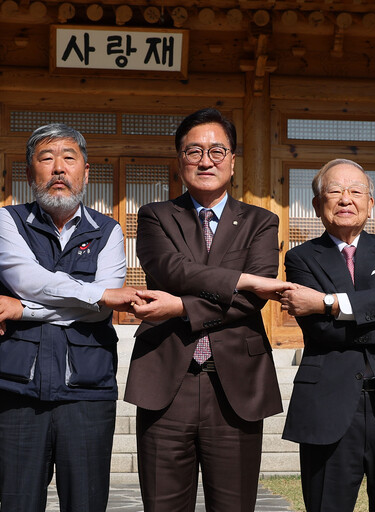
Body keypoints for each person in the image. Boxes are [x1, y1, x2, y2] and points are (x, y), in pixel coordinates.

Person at [124, 107, 293, 511]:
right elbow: (169, 268)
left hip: (235, 385)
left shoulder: (261, 221)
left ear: (232, 161)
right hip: (167, 381)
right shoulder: (155, 216)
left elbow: (251, 300)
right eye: (193, 150)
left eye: (217, 151)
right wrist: (239, 278)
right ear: (179, 159)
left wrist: (180, 305)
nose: (205, 160)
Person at [0, 123, 137, 512]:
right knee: (18, 501)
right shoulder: (8, 220)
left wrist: (22, 309)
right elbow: (29, 282)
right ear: (31, 174)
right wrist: (96, 293)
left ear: (85, 170)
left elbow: (99, 313)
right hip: (20, 386)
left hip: (87, 388)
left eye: (68, 158)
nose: (58, 169)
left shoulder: (108, 230)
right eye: (46, 159)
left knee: (86, 502)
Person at [278, 159, 375, 511]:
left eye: (355, 191)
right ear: (318, 205)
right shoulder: (301, 258)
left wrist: (326, 301)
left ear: (370, 202)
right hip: (328, 403)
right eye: (334, 191)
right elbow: (322, 331)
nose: (345, 199)